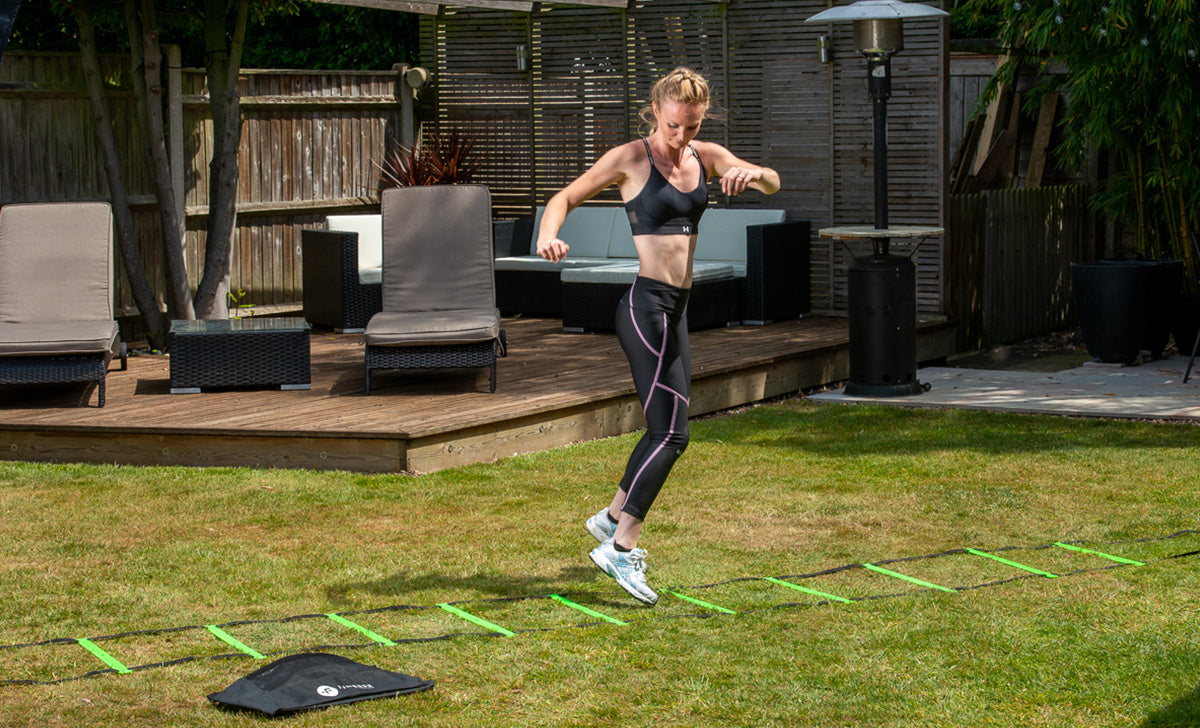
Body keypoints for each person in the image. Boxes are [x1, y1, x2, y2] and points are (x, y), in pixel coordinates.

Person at [536, 67, 781, 605]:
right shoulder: (631, 158)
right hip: (644, 305)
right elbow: (564, 198)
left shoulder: (705, 155)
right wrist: (548, 236)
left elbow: (772, 180)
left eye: (691, 127)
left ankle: (610, 515)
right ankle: (622, 547)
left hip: (678, 308)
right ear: (656, 111)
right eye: (674, 125)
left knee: (666, 427)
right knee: (672, 433)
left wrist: (752, 173)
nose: (681, 137)